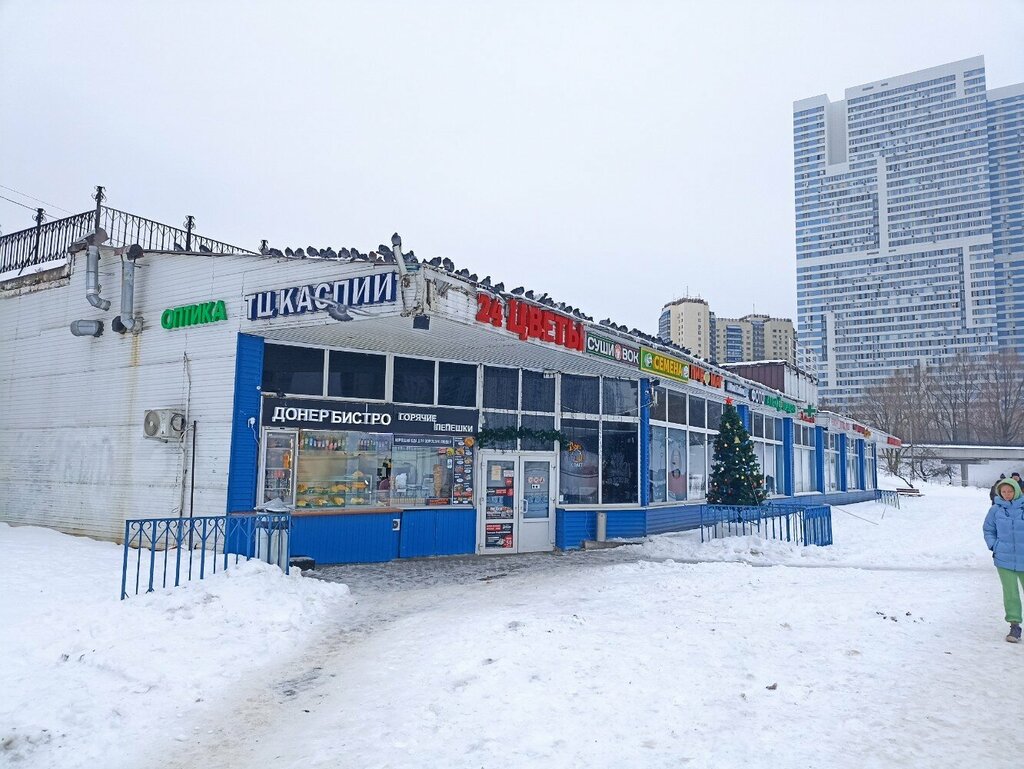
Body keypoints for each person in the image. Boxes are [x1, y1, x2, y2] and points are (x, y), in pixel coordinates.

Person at [983, 477, 1024, 643]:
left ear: (1017, 491)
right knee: (1010, 593)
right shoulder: (995, 510)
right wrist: (994, 545)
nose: (1007, 494)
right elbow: (988, 529)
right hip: (1004, 559)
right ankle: (1014, 626)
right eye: (1004, 491)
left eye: (1010, 491)